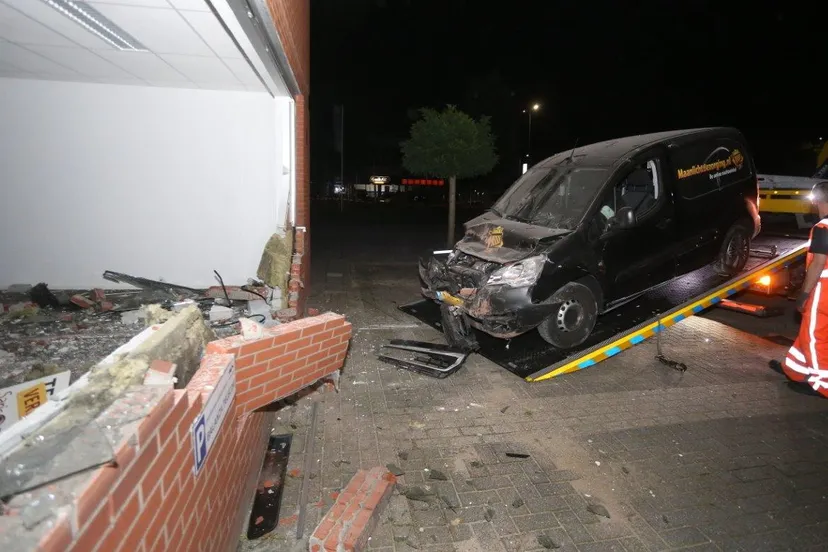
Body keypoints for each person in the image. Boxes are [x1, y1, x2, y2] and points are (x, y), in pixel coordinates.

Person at [772, 180, 828, 396]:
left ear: (819, 200)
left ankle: (822, 384)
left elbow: (817, 264)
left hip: (823, 292)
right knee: (811, 332)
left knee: (816, 337)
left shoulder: (823, 228)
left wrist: (803, 295)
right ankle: (794, 369)